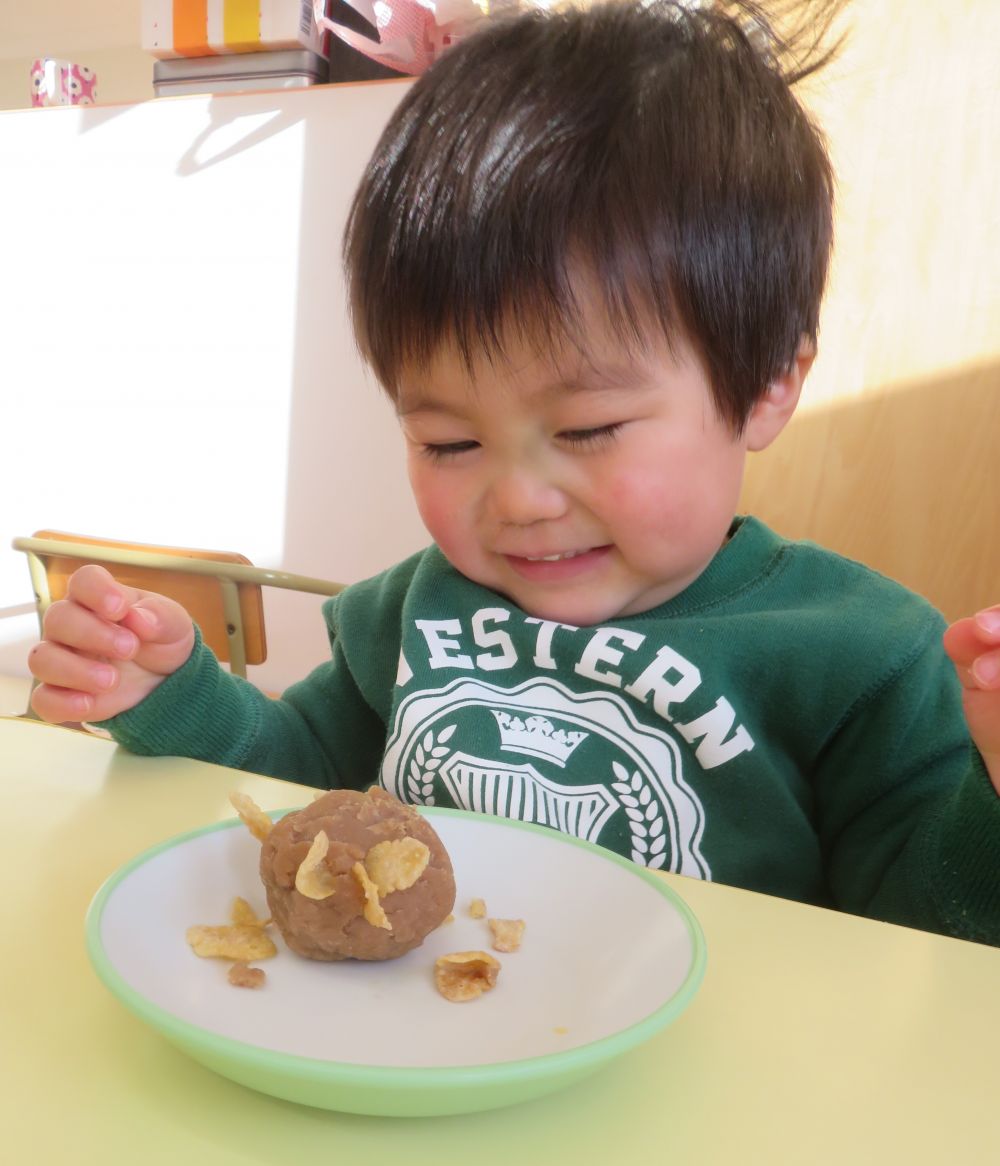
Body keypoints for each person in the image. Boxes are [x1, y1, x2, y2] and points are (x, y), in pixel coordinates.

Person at [27, 1, 1000, 944]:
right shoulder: (415, 610)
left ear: (767, 383)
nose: (520, 499)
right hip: (421, 1063)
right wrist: (173, 692)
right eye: (449, 441)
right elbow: (303, 783)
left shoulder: (859, 657)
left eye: (587, 427)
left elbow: (929, 939)